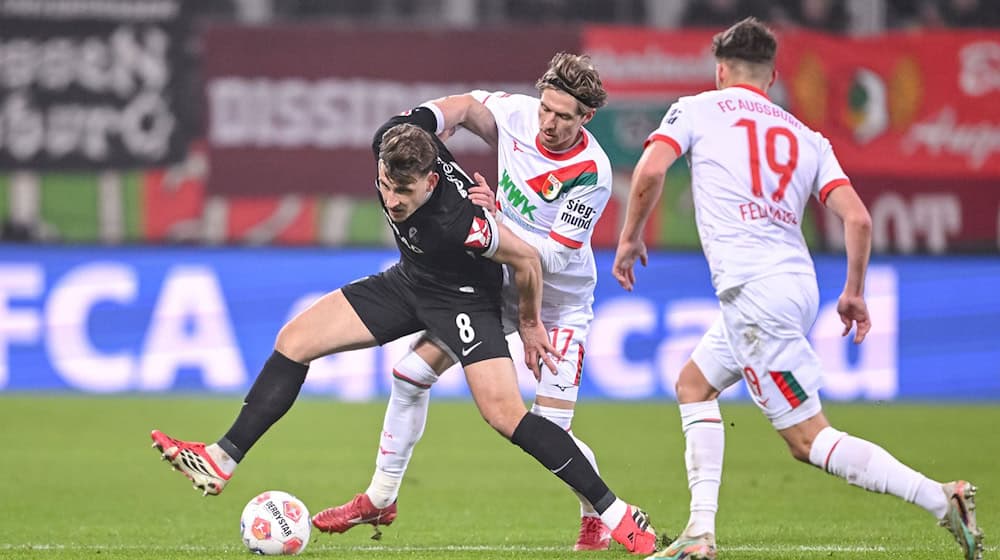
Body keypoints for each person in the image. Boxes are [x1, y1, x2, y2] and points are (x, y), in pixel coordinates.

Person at [151, 104, 658, 555]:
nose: (393, 201)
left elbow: (526, 260)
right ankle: (221, 459)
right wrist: (445, 113)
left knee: (505, 415)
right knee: (294, 341)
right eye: (386, 187)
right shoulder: (393, 139)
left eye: (405, 192)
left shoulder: (460, 221)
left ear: (431, 182)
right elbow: (448, 109)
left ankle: (617, 513)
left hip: (464, 299)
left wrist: (528, 324)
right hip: (409, 282)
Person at [612, 17, 983, 560]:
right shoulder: (808, 137)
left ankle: (940, 497)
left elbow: (649, 171)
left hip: (755, 292)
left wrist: (629, 238)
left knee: (808, 440)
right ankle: (699, 531)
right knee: (694, 385)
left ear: (720, 71)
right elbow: (858, 219)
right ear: (772, 77)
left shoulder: (696, 109)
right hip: (794, 285)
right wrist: (854, 292)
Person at [312, 52, 629, 551]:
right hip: (499, 287)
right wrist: (417, 122)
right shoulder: (517, 115)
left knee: (549, 431)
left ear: (586, 117)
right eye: (546, 108)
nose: (548, 123)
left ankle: (597, 515)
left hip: (557, 304)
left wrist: (494, 221)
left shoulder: (593, 172)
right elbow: (461, 108)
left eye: (563, 116)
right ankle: (380, 497)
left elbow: (552, 259)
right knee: (409, 374)